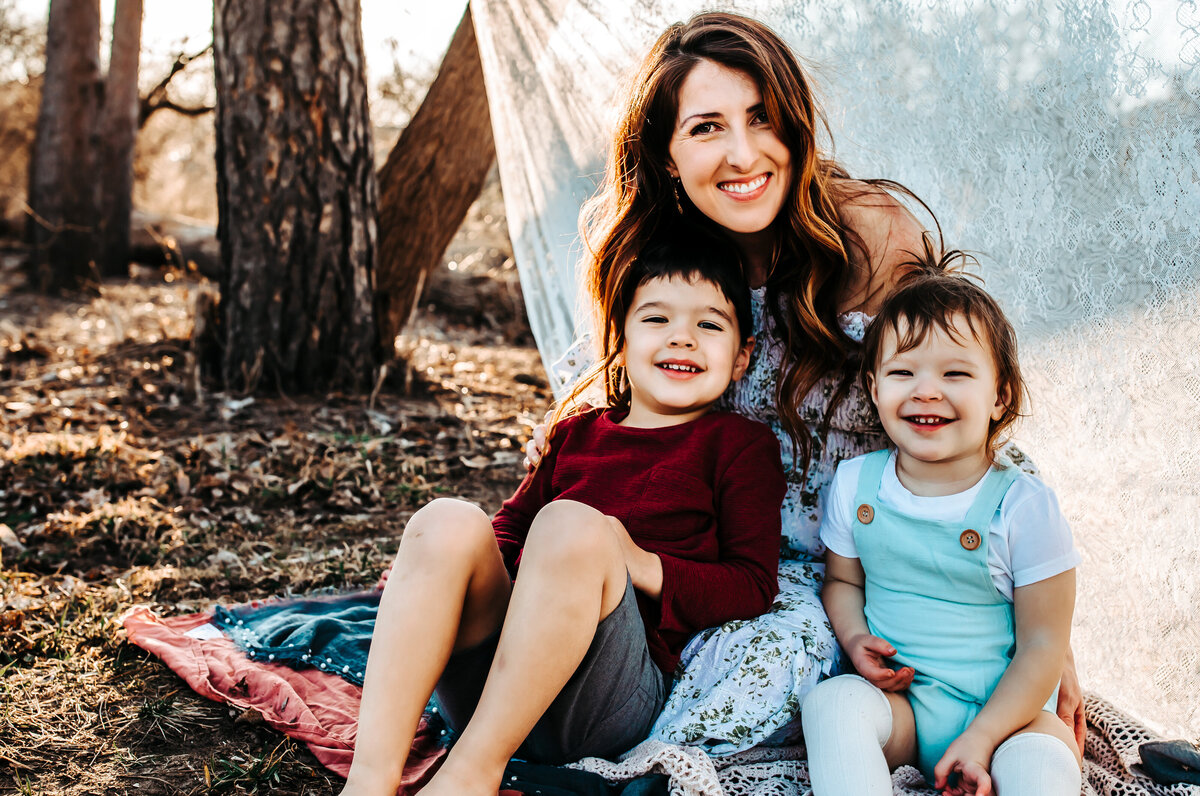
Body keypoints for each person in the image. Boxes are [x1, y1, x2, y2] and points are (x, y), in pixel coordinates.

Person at [528, 11, 1084, 754]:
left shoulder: (866, 234)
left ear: (794, 125)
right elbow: (631, 403)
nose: (741, 153)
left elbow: (955, 400)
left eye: (762, 119)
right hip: (714, 553)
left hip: (856, 567)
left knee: (774, 679)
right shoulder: (663, 254)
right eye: (705, 128)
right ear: (665, 154)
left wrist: (1042, 625)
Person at [340, 228, 787, 796]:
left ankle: (472, 775)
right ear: (620, 340)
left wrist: (636, 560)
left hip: (601, 701)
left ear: (743, 356)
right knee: (447, 519)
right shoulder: (577, 432)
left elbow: (750, 585)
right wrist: (447, 584)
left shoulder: (739, 446)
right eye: (656, 319)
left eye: (709, 324)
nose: (683, 339)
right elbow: (505, 531)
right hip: (492, 679)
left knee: (571, 522)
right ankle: (370, 778)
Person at [801, 259, 1081, 795]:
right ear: (874, 386)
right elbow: (842, 582)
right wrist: (855, 639)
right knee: (831, 703)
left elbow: (1045, 645)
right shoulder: (857, 485)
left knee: (1039, 767)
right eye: (903, 373)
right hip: (907, 709)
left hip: (1011, 716)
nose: (926, 391)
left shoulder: (1022, 507)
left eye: (955, 374)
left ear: (1000, 394)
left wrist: (983, 738)